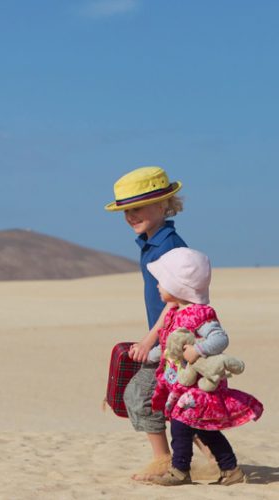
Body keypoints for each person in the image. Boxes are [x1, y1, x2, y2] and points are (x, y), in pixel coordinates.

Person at [144, 247, 264, 486]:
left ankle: (180, 471)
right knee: (204, 429)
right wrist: (151, 355)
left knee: (181, 426)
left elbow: (220, 339)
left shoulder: (200, 315)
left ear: (179, 286)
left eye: (162, 282)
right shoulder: (175, 314)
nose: (158, 286)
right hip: (180, 385)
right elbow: (171, 347)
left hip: (198, 388)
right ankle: (230, 470)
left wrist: (198, 350)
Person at [104, 166, 186, 481]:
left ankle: (164, 460)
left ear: (164, 204)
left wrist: (151, 340)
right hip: (167, 339)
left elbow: (176, 301)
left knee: (141, 395)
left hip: (178, 340)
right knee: (180, 404)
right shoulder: (151, 242)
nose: (130, 216)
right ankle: (218, 462)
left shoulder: (168, 246)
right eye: (125, 210)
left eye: (136, 208)